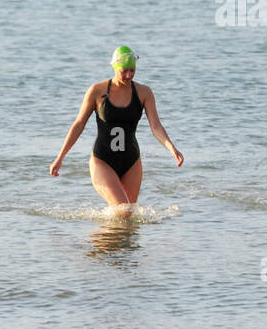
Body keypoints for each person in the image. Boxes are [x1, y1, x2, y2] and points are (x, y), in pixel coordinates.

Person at [49, 46, 183, 214]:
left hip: (131, 161)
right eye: (124, 71)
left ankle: (108, 238)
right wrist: (60, 157)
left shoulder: (144, 92)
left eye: (132, 70)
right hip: (102, 160)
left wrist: (172, 149)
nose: (129, 75)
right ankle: (101, 239)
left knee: (129, 216)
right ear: (115, 67)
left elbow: (156, 126)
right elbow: (79, 125)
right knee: (123, 211)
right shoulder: (97, 91)